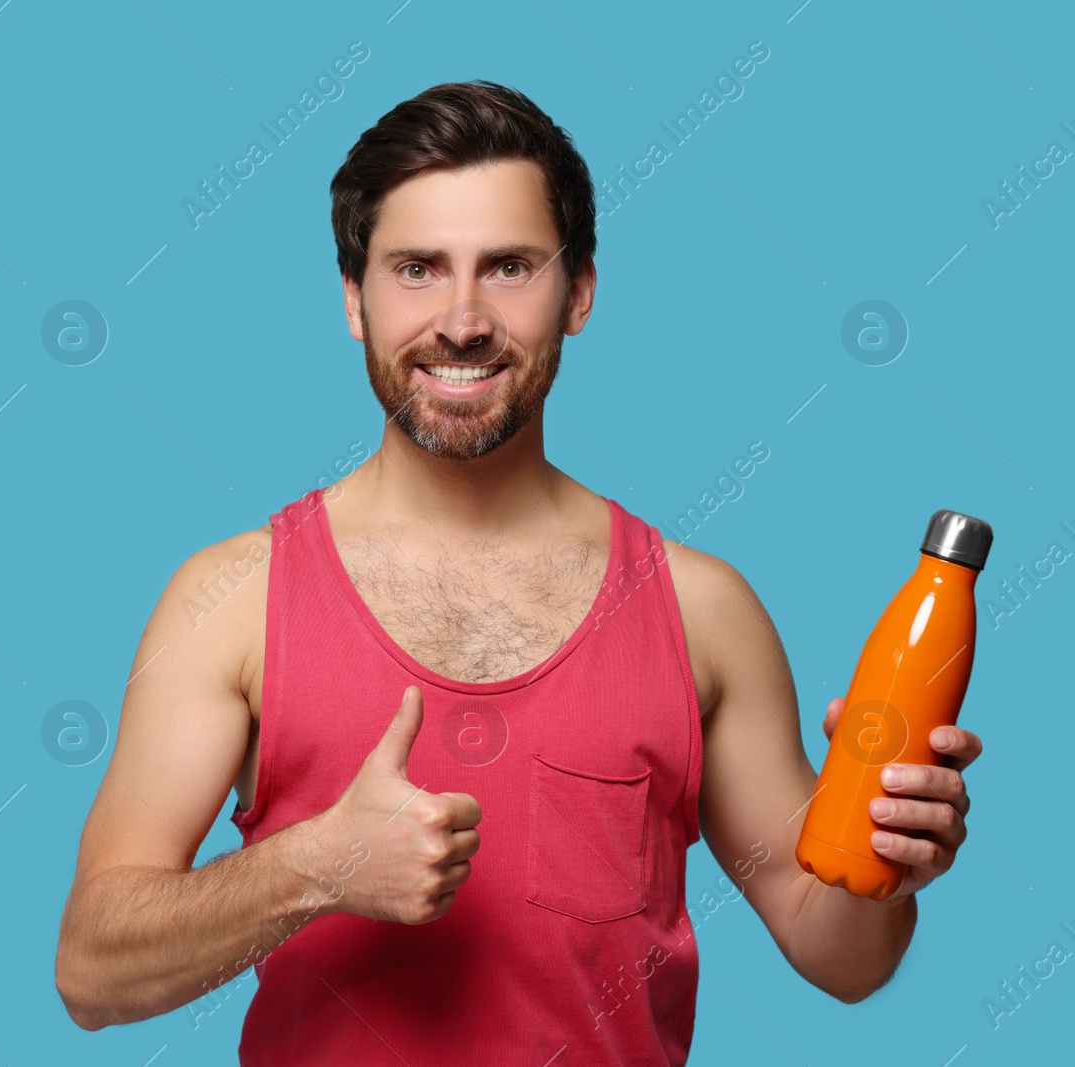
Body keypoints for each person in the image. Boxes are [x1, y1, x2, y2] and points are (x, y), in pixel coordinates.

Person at [53, 81, 981, 1065]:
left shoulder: (701, 609)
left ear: (578, 291)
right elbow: (92, 973)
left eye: (507, 267)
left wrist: (885, 860)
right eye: (416, 268)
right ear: (351, 299)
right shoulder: (234, 600)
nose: (461, 319)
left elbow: (838, 955)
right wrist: (313, 866)